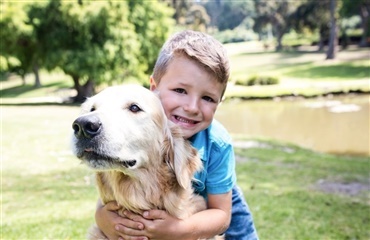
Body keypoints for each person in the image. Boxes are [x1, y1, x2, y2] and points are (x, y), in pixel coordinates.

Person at [95, 30, 258, 240]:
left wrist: (175, 231)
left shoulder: (218, 142)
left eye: (208, 98)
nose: (192, 107)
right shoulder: (137, 128)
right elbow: (111, 184)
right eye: (180, 90)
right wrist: (103, 219)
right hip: (164, 200)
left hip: (216, 199)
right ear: (154, 89)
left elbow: (221, 215)